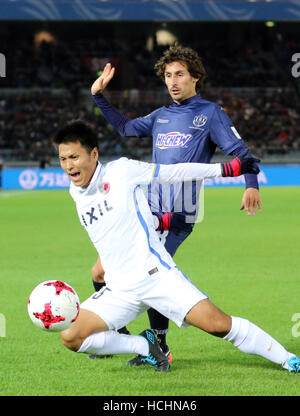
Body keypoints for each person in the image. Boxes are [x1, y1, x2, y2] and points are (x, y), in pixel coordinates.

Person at [54, 120, 300, 374]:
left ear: (93, 154)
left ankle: (288, 359)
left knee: (218, 324)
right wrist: (161, 221)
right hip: (119, 289)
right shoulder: (75, 191)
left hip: (156, 277)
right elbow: (122, 219)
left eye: (74, 156)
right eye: (62, 159)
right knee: (71, 336)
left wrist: (227, 169)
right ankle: (145, 346)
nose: (68, 165)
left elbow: (173, 172)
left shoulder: (121, 171)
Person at [89, 44, 262, 364]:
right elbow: (126, 128)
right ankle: (123, 340)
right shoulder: (161, 116)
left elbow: (242, 153)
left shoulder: (211, 113)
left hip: (177, 214)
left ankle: (159, 349)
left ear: (195, 77)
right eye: (168, 75)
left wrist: (250, 186)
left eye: (180, 74)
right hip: (147, 210)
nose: (173, 81)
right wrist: (99, 97)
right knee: (100, 271)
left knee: (154, 276)